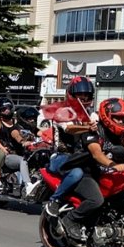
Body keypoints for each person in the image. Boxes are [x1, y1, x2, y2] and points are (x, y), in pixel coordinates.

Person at [61, 97, 124, 241]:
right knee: (96, 200)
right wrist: (113, 165)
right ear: (107, 116)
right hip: (87, 173)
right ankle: (70, 220)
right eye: (118, 118)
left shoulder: (121, 134)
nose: (121, 122)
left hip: (108, 175)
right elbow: (96, 154)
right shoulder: (93, 131)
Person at [44, 77, 99, 217]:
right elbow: (69, 129)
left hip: (81, 157)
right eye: (80, 95)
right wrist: (87, 127)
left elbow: (103, 123)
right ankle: (55, 199)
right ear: (72, 95)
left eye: (86, 95)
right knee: (77, 173)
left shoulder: (91, 113)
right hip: (61, 157)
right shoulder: (62, 112)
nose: (84, 98)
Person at [0, 96, 35, 193]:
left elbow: (19, 133)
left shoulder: (14, 121)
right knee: (22, 160)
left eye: (8, 108)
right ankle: (27, 185)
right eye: (3, 109)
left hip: (16, 151)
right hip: (6, 152)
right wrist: (3, 148)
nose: (6, 111)